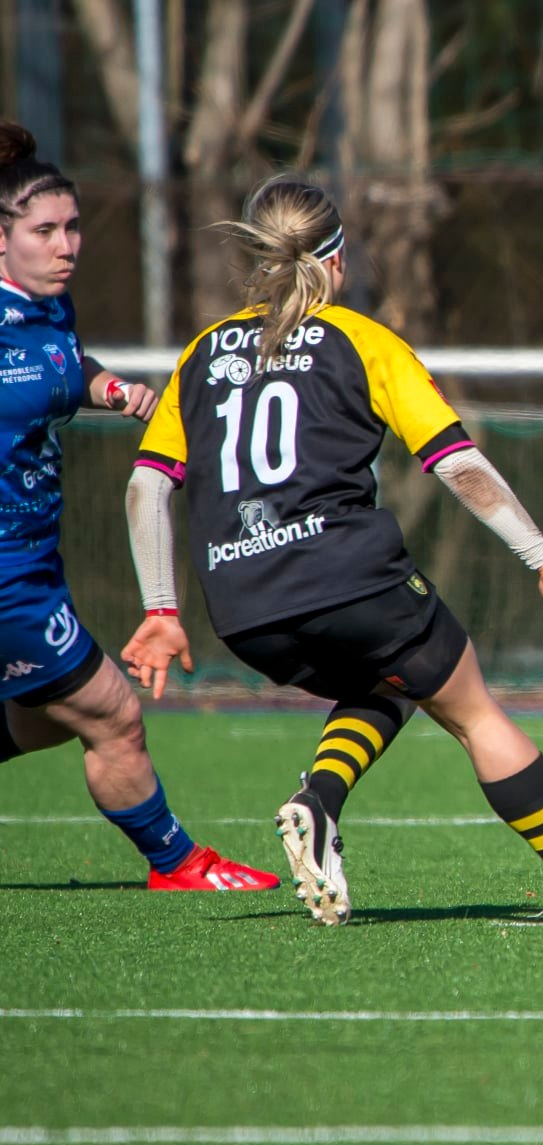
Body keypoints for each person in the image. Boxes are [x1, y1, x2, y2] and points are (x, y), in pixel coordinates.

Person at [120, 176, 543, 926]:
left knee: (388, 683)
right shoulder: (364, 340)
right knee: (473, 710)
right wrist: (541, 554)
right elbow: (458, 464)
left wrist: (161, 608)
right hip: (348, 577)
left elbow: (146, 487)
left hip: (242, 606)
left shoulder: (200, 353)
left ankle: (318, 801)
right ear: (337, 260)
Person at [0, 123, 279, 891]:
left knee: (33, 718)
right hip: (5, 576)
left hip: (34, 557)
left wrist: (107, 389)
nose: (68, 246)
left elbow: (61, 366)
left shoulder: (48, 306)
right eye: (45, 230)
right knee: (112, 715)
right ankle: (178, 862)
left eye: (73, 227)